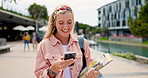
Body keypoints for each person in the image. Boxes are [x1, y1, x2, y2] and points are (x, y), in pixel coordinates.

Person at [34, 5, 102, 78]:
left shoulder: (82, 42)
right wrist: (53, 69)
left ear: (73, 22)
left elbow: (89, 64)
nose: (66, 27)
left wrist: (92, 72)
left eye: (69, 22)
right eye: (61, 23)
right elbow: (39, 74)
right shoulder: (44, 45)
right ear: (54, 23)